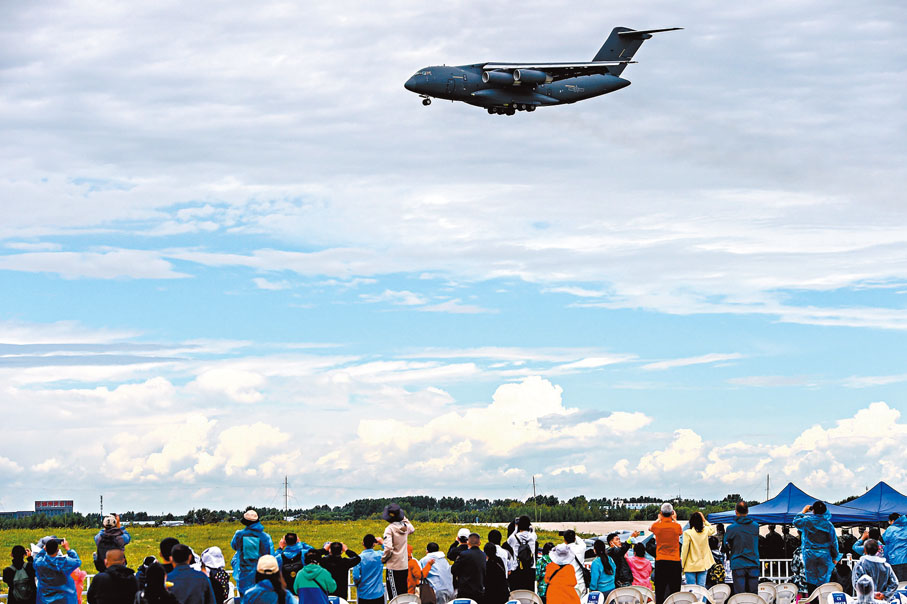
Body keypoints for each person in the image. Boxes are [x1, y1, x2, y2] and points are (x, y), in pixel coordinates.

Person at [792, 501, 838, 594]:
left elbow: (796, 522)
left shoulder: (807, 521)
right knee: (824, 580)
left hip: (810, 555)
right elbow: (833, 542)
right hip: (824, 555)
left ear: (813, 511)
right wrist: (835, 556)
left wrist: (803, 511)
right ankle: (822, 600)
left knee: (811, 578)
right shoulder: (828, 525)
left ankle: (813, 600)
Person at [231, 510, 275, 602]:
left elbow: (234, 546)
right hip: (261, 576)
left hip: (244, 576)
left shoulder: (239, 535)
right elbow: (271, 556)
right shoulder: (265, 537)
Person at [649, 503, 682, 604]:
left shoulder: (657, 526)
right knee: (675, 591)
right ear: (672, 513)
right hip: (674, 561)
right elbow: (680, 531)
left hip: (661, 561)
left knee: (660, 590)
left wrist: (659, 519)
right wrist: (674, 519)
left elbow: (650, 528)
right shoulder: (677, 526)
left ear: (661, 513)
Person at [381, 503, 415, 600]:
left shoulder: (389, 529)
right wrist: (403, 517)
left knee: (394, 596)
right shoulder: (405, 527)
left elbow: (388, 548)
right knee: (402, 593)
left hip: (393, 566)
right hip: (404, 565)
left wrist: (383, 559)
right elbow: (412, 528)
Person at [724, 501, 759, 595]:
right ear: (747, 511)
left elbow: (725, 545)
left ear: (736, 512)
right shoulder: (756, 526)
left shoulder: (731, 528)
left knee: (740, 594)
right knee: (753, 595)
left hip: (738, 563)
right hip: (753, 562)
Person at [33, 538, 81, 604]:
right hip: (64, 599)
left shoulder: (40, 563)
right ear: (58, 550)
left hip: (45, 600)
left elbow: (36, 559)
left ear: (46, 549)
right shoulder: (64, 562)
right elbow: (77, 561)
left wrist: (43, 550)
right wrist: (67, 548)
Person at [681, 511, 716, 587]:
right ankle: (702, 600)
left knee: (691, 588)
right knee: (702, 588)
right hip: (703, 564)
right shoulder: (706, 531)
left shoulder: (687, 533)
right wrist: (704, 520)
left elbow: (684, 551)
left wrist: (682, 565)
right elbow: (712, 530)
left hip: (690, 565)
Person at [451, 533, 485, 603]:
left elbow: (453, 570)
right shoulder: (483, 555)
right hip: (479, 590)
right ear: (479, 543)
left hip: (465, 590)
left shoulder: (464, 554)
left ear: (468, 542)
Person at [506, 516, 537, 591]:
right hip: (530, 568)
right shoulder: (533, 537)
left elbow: (508, 541)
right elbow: (533, 532)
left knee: (516, 592)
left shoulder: (513, 538)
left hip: (517, 568)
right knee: (529, 593)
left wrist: (516, 528)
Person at [352, 535, 385, 604]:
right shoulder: (379, 555)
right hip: (378, 593)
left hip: (364, 594)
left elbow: (356, 576)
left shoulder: (358, 559)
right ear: (374, 544)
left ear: (363, 543)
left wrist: (357, 584)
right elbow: (390, 552)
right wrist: (382, 543)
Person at [562, 530, 587, 598]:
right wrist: (574, 535)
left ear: (564, 540)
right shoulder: (582, 548)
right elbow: (581, 542)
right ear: (575, 539)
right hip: (580, 582)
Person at [883, 512, 907, 580]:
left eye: (889, 521)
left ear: (892, 521)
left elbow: (885, 542)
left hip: (894, 560)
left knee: (896, 584)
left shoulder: (890, 529)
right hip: (905, 559)